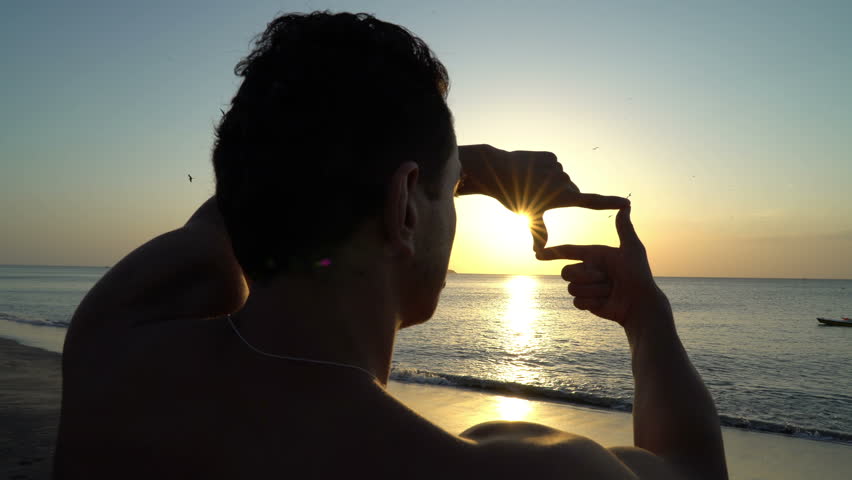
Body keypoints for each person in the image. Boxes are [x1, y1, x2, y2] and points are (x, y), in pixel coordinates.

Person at [54, 11, 728, 479]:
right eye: (453, 187)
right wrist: (648, 318)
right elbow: (692, 471)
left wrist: (463, 166)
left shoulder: (115, 341)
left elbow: (238, 203)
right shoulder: (501, 469)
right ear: (405, 205)